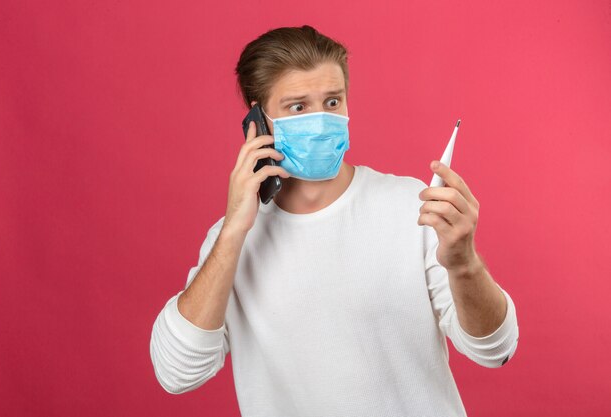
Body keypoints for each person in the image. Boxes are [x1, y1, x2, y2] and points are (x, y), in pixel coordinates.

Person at [150, 25, 519, 416]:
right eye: (298, 107)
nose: (321, 120)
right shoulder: (232, 243)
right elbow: (177, 373)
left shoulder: (413, 207)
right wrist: (234, 230)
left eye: (332, 102)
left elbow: (495, 350)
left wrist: (464, 262)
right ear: (258, 121)